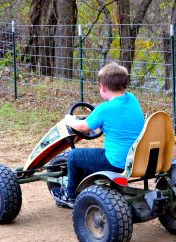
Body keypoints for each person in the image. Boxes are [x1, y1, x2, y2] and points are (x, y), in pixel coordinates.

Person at [51, 62, 145, 208]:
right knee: (90, 157)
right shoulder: (132, 99)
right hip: (137, 158)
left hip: (116, 162)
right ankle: (85, 187)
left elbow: (83, 127)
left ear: (103, 87)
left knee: (74, 156)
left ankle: (69, 196)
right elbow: (116, 121)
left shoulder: (104, 109)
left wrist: (68, 120)